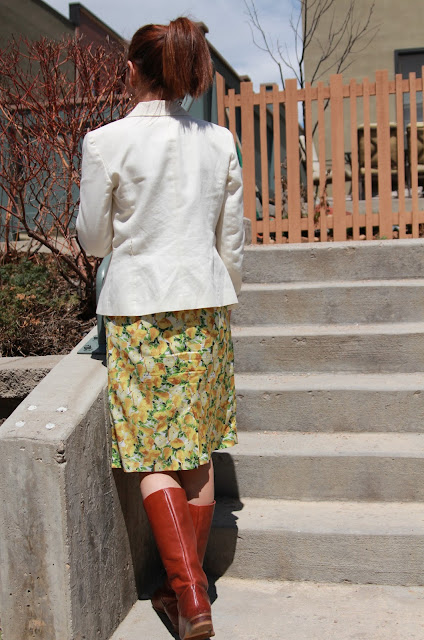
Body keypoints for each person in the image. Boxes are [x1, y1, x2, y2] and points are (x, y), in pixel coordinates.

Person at [76, 16, 244, 640]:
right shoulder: (219, 141)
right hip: (204, 307)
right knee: (196, 454)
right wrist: (223, 294)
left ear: (133, 70)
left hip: (139, 310)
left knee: (151, 454)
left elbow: (95, 240)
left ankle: (188, 593)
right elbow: (232, 241)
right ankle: (190, 594)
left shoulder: (105, 141)